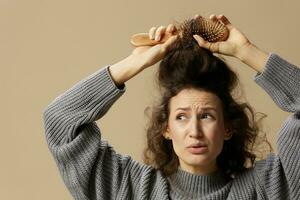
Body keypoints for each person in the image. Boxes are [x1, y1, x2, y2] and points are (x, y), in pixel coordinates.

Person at [43, 14, 300, 199]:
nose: (194, 131)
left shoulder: (269, 187)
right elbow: (61, 119)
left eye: (207, 116)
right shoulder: (129, 188)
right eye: (181, 117)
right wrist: (135, 63)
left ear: (228, 128)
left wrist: (246, 51)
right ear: (165, 128)